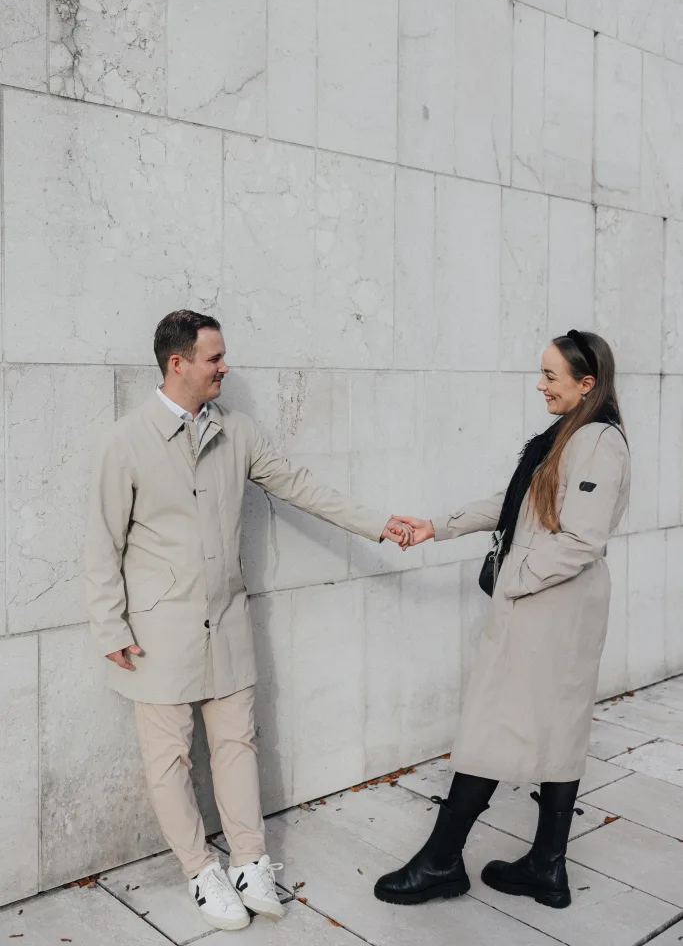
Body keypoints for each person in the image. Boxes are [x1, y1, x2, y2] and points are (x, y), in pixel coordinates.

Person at [85, 309, 412, 933]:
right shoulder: (124, 441)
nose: (224, 368)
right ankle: (198, 869)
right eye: (214, 358)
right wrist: (110, 628)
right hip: (157, 632)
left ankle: (250, 861)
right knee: (169, 759)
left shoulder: (237, 431)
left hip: (227, 621)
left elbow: (301, 486)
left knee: (238, 746)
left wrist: (379, 524)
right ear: (177, 363)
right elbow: (102, 543)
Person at [375, 330, 630, 911]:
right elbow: (520, 500)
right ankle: (546, 866)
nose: (540, 385)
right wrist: (437, 526)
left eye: (550, 376)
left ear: (587, 384)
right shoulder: (571, 434)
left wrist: (515, 578)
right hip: (552, 608)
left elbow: (582, 540)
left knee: (493, 727)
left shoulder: (597, 443)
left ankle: (442, 860)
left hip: (551, 610)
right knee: (555, 729)